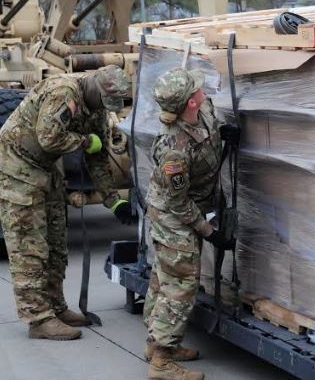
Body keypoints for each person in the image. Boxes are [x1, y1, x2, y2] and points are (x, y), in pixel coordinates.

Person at [0, 65, 132, 341]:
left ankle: (56, 307)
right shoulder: (63, 92)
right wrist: (86, 142)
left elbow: (98, 155)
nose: (105, 108)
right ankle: (38, 319)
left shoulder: (96, 106)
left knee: (57, 242)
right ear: (95, 86)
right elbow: (48, 139)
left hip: (46, 170)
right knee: (30, 246)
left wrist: (112, 200)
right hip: (17, 168)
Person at [143, 68, 233, 380]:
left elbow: (210, 122)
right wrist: (209, 232)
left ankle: (155, 343)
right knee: (180, 286)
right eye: (197, 90)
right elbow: (178, 203)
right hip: (172, 218)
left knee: (164, 278)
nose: (202, 91)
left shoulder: (200, 109)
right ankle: (163, 362)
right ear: (189, 104)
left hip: (181, 208)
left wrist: (224, 135)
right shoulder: (173, 150)